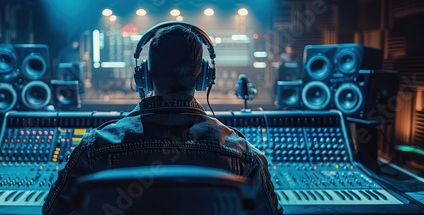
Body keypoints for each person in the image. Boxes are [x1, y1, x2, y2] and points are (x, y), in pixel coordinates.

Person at [42, 23, 283, 215]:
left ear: (143, 76)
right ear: (205, 77)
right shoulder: (241, 152)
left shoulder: (95, 146)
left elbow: (52, 211)